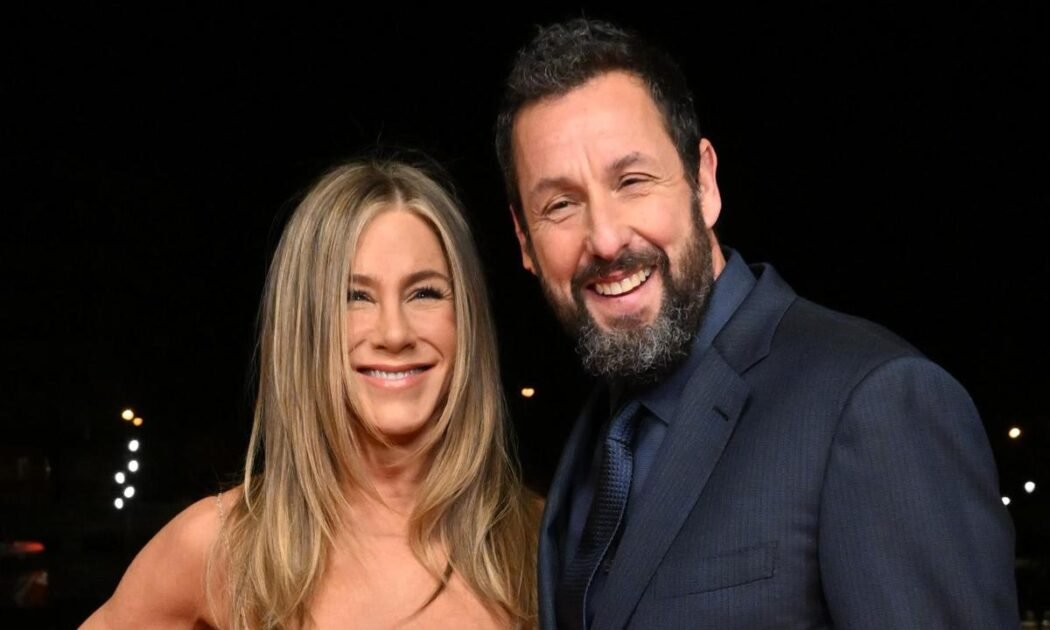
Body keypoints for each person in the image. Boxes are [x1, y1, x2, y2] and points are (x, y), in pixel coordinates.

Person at [494, 18, 1017, 629]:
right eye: (561, 204)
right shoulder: (593, 441)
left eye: (632, 181)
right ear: (524, 240)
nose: (606, 239)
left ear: (703, 183)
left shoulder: (876, 403)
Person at [82, 159, 539, 629]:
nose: (394, 333)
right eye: (354, 297)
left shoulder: (545, 546)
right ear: (304, 327)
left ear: (467, 319)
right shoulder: (220, 547)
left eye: (424, 293)